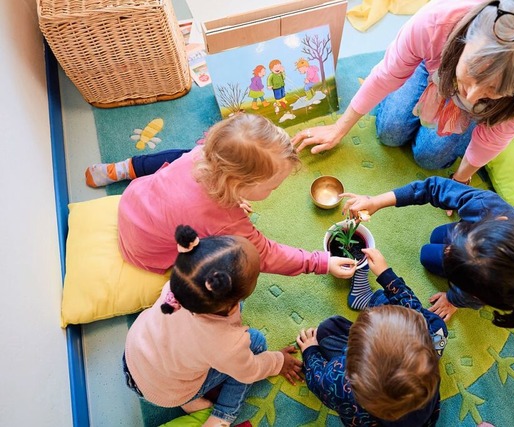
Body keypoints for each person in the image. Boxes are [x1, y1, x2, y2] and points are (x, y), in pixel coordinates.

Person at [292, 0, 514, 185]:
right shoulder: (435, 22)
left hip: (483, 99)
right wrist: (340, 128)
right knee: (389, 132)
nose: (471, 97)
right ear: (464, 40)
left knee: (429, 157)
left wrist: (461, 180)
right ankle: (434, 71)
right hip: (435, 66)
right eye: (473, 75)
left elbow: (497, 132)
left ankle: (481, 87)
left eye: (494, 90)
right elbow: (388, 73)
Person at [88, 114, 357, 278]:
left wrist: (235, 196)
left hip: (132, 202)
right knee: (227, 269)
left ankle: (125, 167)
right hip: (144, 252)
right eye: (273, 187)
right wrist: (321, 262)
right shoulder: (227, 221)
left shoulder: (203, 154)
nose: (277, 191)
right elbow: (265, 254)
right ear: (238, 184)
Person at [124, 225, 303, 427]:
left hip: (133, 357)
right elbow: (249, 370)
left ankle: (189, 399)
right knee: (257, 343)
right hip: (165, 391)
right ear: (230, 304)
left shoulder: (180, 285)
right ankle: (221, 417)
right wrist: (278, 362)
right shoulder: (227, 344)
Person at [342, 176, 514, 328]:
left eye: (453, 254)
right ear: (497, 220)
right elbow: (432, 188)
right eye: (458, 239)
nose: (449, 248)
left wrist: (453, 300)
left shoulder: (491, 292)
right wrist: (376, 201)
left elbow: (471, 295)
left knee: (428, 255)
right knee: (435, 238)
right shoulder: (487, 205)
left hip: (509, 257)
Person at [296, 247, 447, 426]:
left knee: (327, 329)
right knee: (436, 326)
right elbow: (414, 311)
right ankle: (368, 299)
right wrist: (386, 276)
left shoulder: (341, 382)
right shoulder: (431, 342)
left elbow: (318, 382)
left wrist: (310, 352)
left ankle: (366, 299)